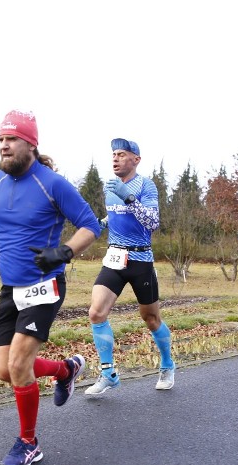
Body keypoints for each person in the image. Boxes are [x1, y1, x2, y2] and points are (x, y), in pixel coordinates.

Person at [0, 109, 101, 465]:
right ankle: (65, 370)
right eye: (0, 140)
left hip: (45, 286)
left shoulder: (52, 183)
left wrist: (66, 250)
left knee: (19, 363)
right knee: (4, 370)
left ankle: (29, 443)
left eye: (11, 140)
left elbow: (90, 225)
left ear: (30, 144)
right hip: (11, 288)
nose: (4, 146)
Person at [85, 138, 176, 395]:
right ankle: (108, 373)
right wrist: (100, 223)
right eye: (113, 154)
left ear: (136, 159)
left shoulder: (146, 186)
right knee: (96, 313)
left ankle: (168, 365)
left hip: (140, 260)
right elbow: (115, 216)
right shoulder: (109, 187)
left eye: (122, 154)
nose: (115, 159)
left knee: (150, 318)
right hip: (114, 257)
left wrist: (130, 198)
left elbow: (152, 222)